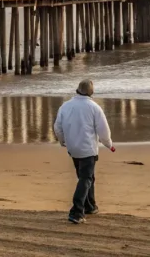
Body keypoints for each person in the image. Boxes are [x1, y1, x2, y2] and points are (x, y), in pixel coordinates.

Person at [53, 79, 114, 224]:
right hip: (87, 148)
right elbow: (103, 130)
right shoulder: (94, 107)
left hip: (73, 148)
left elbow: (57, 127)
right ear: (91, 92)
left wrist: (63, 141)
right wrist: (109, 144)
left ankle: (90, 206)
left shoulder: (65, 106)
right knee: (86, 179)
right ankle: (76, 211)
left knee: (86, 177)